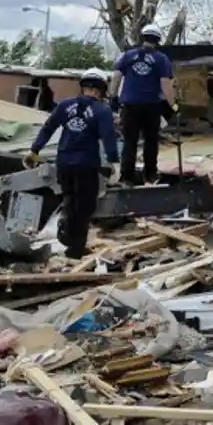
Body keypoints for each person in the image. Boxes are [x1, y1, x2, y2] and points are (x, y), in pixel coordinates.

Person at [25, 68, 119, 260]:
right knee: (84, 207)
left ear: (83, 86)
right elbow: (109, 138)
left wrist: (34, 150)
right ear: (101, 89)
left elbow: (48, 127)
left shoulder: (64, 105)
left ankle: (65, 228)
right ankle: (75, 249)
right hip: (87, 165)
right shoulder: (102, 111)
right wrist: (114, 163)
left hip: (64, 163)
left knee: (69, 199)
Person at [110, 24, 176, 184]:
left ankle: (127, 178)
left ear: (143, 37)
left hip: (129, 105)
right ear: (158, 40)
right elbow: (165, 84)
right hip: (151, 106)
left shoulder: (128, 55)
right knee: (151, 141)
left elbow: (116, 76)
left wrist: (113, 97)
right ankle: (150, 175)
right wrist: (174, 104)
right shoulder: (161, 59)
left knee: (129, 142)